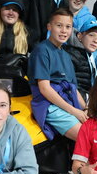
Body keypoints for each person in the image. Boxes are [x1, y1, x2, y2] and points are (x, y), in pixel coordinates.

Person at [29, 8, 87, 140]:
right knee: (86, 137)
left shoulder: (66, 56)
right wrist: (73, 111)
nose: (63, 31)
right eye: (59, 25)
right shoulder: (42, 50)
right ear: (49, 26)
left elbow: (74, 89)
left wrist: (86, 109)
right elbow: (44, 88)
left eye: (68, 27)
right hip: (49, 105)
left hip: (67, 104)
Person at [0, 0, 35, 66]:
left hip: (17, 73)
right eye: (7, 9)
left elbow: (36, 57)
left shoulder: (27, 32)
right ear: (0, 11)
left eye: (14, 10)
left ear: (19, 13)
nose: (11, 13)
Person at [67, 18, 97, 99]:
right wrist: (88, 100)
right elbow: (68, 86)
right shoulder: (72, 55)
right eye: (91, 35)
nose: (95, 40)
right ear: (80, 36)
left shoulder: (91, 57)